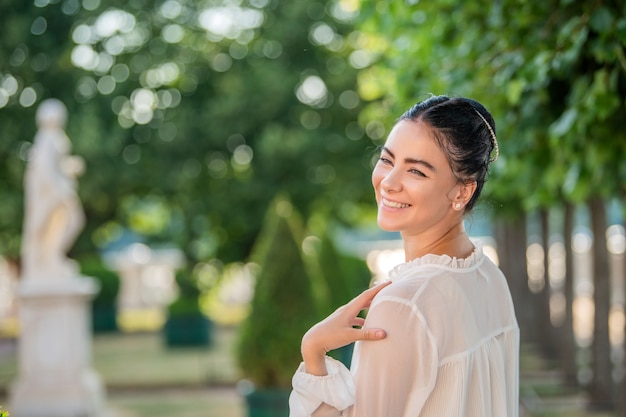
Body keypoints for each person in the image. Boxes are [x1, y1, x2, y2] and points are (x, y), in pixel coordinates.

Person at [289, 95, 519, 416]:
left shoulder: (403, 305)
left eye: (417, 171)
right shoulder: (490, 277)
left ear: (462, 191)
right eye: (387, 160)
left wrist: (313, 353)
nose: (389, 182)